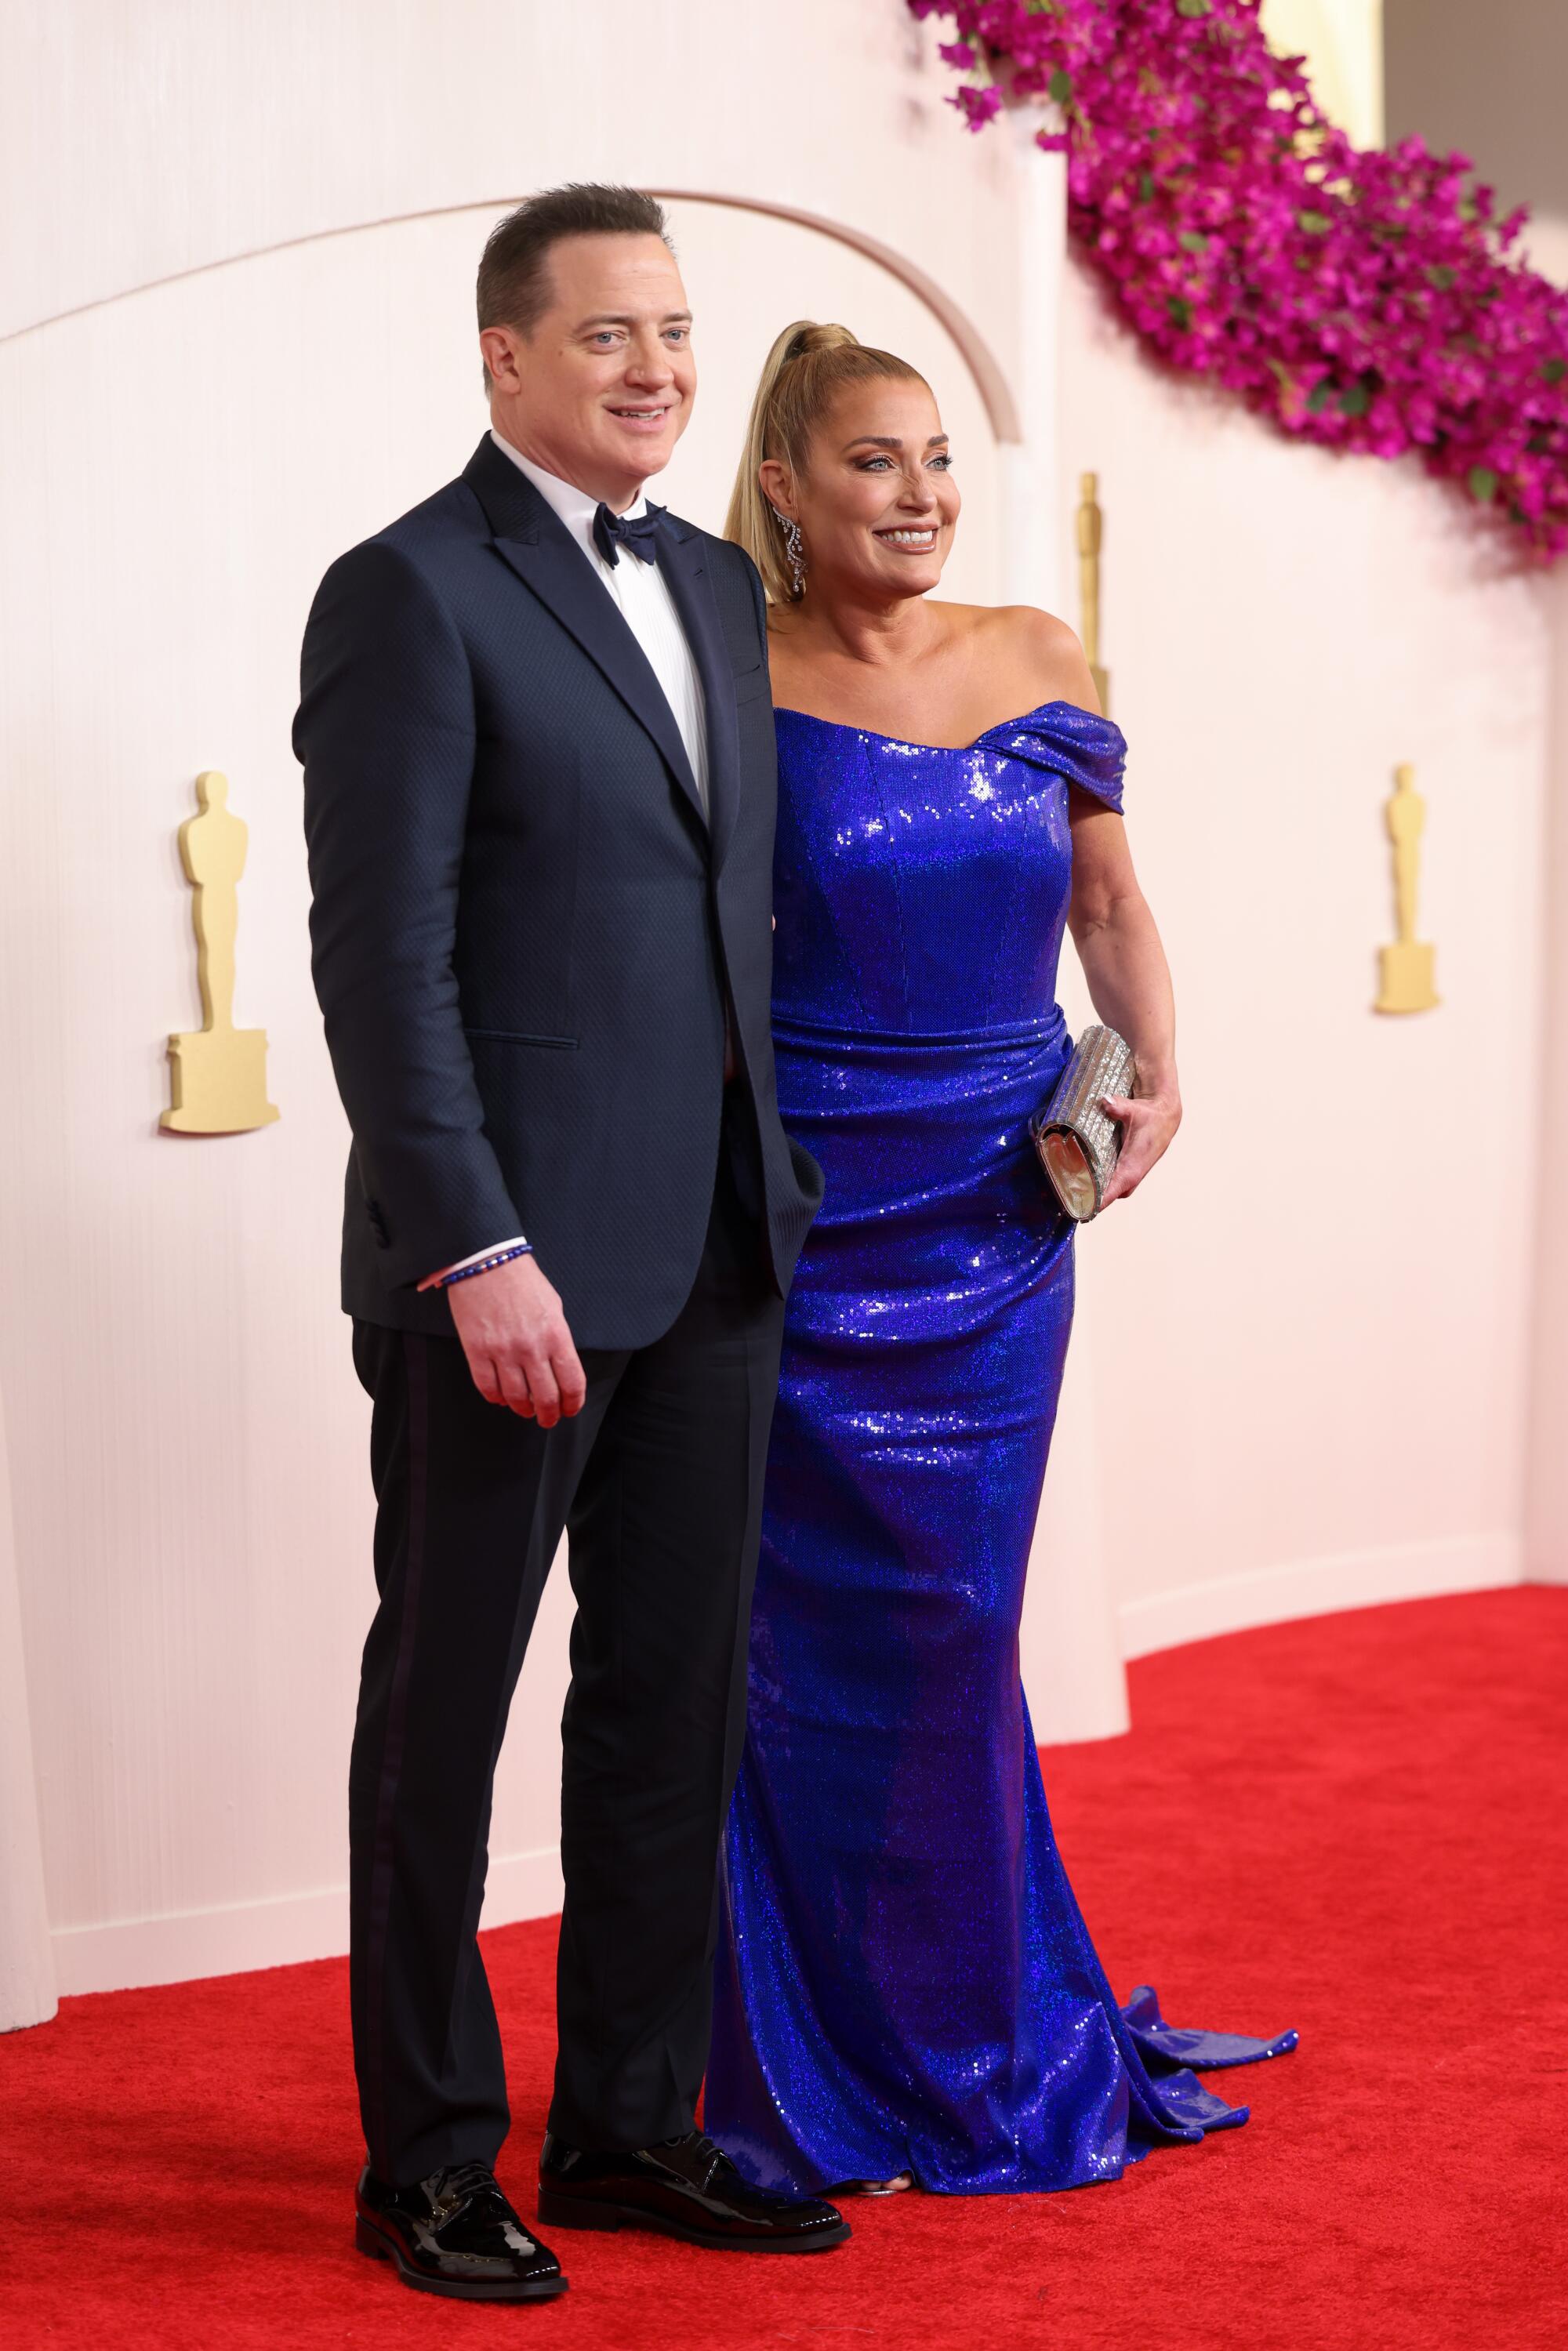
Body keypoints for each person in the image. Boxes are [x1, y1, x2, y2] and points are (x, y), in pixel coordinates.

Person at [296, 195, 849, 2303]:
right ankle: (427, 2154)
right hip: (503, 1274)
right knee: (441, 1714)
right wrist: (473, 1248)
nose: (657, 367)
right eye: (608, 331)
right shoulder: (409, 594)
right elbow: (383, 970)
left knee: (666, 1705)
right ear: (503, 356)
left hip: (714, 1248)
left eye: (680, 332)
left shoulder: (714, 581)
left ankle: (630, 2122)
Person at [704, 323, 1295, 2196]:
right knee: (778, 1645)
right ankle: (796, 2067)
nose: (921, 495)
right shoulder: (726, 667)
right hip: (794, 1209)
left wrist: (1160, 1068)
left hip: (991, 1208)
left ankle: (968, 2034)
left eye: (938, 458)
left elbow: (1111, 905)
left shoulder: (1037, 653)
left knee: (954, 1630)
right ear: (786, 488)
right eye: (873, 461)